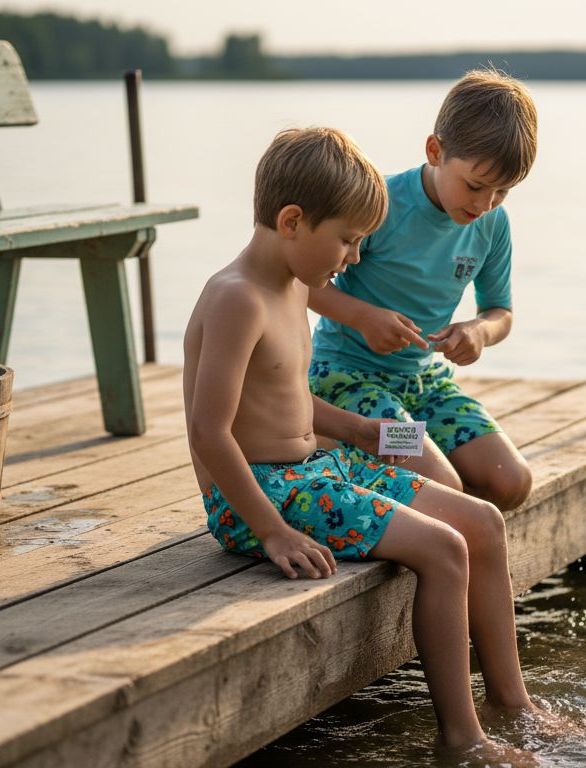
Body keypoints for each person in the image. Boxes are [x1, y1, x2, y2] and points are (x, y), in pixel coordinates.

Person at [182, 127, 557, 760]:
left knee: (483, 522)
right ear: (294, 221)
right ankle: (461, 738)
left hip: (315, 466)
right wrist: (272, 531)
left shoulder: (293, 287)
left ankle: (510, 701)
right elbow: (208, 432)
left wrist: (363, 433)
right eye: (350, 240)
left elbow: (287, 400)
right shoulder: (236, 300)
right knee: (443, 548)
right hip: (262, 496)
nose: (355, 260)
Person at [308, 68, 538, 512]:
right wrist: (362, 317)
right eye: (474, 185)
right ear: (435, 150)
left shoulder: (492, 224)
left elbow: (499, 311)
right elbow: (301, 284)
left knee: (512, 483)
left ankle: (407, 467)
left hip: (426, 383)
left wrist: (478, 332)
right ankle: (337, 442)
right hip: (350, 377)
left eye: (502, 192)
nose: (484, 204)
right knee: (446, 490)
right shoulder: (381, 204)